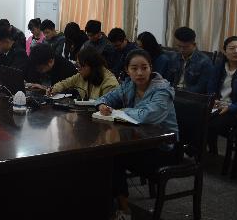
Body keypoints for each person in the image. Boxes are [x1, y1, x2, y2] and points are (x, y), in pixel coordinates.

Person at [96, 49, 179, 220]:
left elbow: (148, 116)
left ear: (151, 68)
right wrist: (102, 105)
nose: (139, 73)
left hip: (165, 148)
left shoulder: (162, 90)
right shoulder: (129, 85)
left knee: (114, 158)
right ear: (127, 70)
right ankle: (104, 202)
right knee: (105, 155)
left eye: (144, 67)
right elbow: (105, 99)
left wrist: (121, 110)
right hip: (140, 141)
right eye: (134, 68)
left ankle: (124, 209)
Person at [206, 36, 237, 154]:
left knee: (211, 125)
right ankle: (202, 151)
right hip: (218, 105)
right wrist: (213, 100)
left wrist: (231, 107)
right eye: (232, 48)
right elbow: (211, 87)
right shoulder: (219, 66)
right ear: (224, 51)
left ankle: (207, 153)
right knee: (195, 118)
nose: (236, 51)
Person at [44, 47, 118, 100]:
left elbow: (109, 105)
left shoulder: (109, 83)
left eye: (80, 66)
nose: (78, 70)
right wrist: (53, 89)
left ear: (92, 65)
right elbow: (64, 83)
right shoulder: (82, 75)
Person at [172, 26, 213, 93]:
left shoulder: (205, 62)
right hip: (173, 92)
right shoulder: (174, 57)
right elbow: (168, 80)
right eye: (179, 46)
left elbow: (201, 88)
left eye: (185, 47)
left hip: (190, 95)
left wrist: (181, 93)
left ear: (194, 44)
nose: (181, 50)